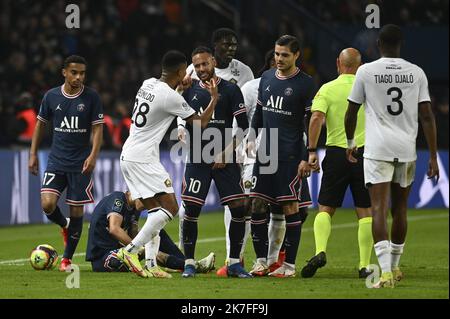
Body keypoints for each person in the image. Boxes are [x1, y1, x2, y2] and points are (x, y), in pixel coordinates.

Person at [345, 24, 439, 288]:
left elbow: (351, 112)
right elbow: (428, 116)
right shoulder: (416, 72)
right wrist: (432, 156)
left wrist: (351, 142)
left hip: (377, 149)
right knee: (400, 210)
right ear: (401, 44)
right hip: (406, 149)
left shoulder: (366, 71)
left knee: (378, 209)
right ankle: (396, 267)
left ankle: (384, 273)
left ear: (378, 44)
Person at [116, 50, 219, 278]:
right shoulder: (170, 97)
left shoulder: (148, 83)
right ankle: (130, 252)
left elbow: (165, 98)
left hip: (129, 154)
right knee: (170, 208)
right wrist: (214, 98)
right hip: (143, 158)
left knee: (155, 212)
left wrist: (179, 88)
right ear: (181, 71)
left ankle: (152, 265)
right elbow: (201, 123)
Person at [178, 28, 254, 277]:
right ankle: (189, 263)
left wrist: (227, 152)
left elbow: (243, 127)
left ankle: (234, 263)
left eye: (204, 63)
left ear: (213, 61)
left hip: (226, 159)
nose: (201, 68)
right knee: (191, 210)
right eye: (196, 65)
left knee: (239, 209)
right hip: (198, 158)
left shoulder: (232, 90)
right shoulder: (188, 90)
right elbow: (187, 120)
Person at [300, 48, 373, 279]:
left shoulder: (327, 89)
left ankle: (320, 251)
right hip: (365, 154)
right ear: (360, 67)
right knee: (365, 211)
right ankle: (364, 265)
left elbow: (316, 118)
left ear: (338, 64)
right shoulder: (368, 89)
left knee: (326, 208)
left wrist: (311, 150)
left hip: (335, 153)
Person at [28, 55, 104, 271]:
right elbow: (40, 125)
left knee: (77, 211)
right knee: (48, 204)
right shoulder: (51, 96)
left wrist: (93, 155)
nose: (78, 77)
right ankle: (64, 226)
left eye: (82, 73)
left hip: (80, 164)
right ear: (64, 72)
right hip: (56, 161)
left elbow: (98, 128)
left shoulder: (91, 97)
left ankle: (67, 259)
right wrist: (32, 154)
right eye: (74, 72)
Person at [249, 35, 315, 277]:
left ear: (297, 55)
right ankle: (260, 261)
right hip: (266, 152)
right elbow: (258, 112)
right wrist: (252, 138)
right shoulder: (266, 78)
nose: (279, 59)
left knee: (290, 207)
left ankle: (288, 266)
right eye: (277, 54)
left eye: (284, 55)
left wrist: (307, 155)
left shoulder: (306, 84)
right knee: (256, 203)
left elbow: (309, 122)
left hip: (290, 154)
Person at [85, 191, 215, 276]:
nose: (148, 205)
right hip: (103, 259)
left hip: (118, 251)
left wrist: (149, 246)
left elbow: (135, 234)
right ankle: (194, 266)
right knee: (145, 251)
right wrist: (140, 248)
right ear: (135, 192)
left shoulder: (134, 208)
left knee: (156, 232)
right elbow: (114, 229)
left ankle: (185, 263)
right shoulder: (118, 200)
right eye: (147, 199)